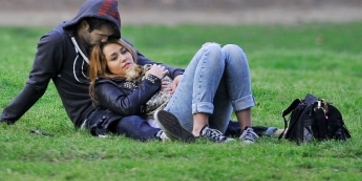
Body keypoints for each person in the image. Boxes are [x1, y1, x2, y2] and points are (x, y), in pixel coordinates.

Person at [0, 0, 189, 142]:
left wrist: (178, 73)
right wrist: (5, 120)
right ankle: (161, 137)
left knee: (149, 108)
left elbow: (143, 61)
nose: (105, 41)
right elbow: (36, 85)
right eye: (101, 36)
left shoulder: (108, 39)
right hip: (94, 113)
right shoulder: (56, 42)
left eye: (110, 37)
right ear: (84, 25)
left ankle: (200, 128)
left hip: (126, 98)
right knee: (129, 120)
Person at [89, 39, 268, 143]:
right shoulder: (104, 85)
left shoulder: (144, 66)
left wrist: (179, 77)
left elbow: (174, 70)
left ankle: (247, 130)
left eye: (124, 51)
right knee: (211, 49)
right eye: (114, 57)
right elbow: (126, 107)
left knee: (232, 50)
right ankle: (200, 128)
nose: (124, 58)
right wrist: (153, 80)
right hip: (176, 120)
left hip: (208, 115)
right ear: (104, 67)